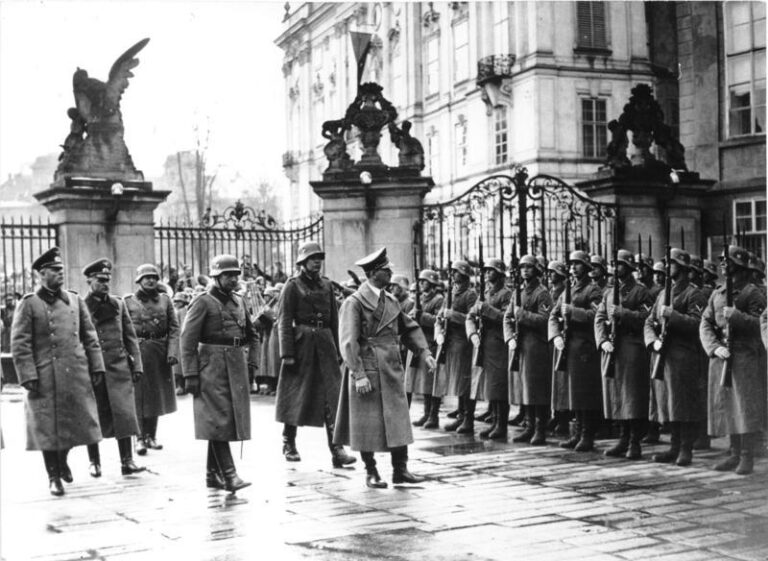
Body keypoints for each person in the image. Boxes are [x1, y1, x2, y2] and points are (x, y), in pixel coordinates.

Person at [333, 247, 435, 488]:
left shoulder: (390, 300)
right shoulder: (354, 303)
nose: (391, 272)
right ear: (374, 273)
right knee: (366, 423)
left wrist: (424, 352)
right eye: (386, 269)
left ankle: (401, 470)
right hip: (366, 367)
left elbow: (408, 328)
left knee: (398, 418)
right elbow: (348, 341)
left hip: (390, 368)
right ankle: (371, 472)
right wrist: (358, 375)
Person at [11, 247, 105, 496]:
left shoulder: (74, 300)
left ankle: (62, 460)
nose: (60, 273)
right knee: (47, 428)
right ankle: (53, 476)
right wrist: (28, 375)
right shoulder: (29, 303)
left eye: (61, 270)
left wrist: (96, 366)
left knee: (77, 423)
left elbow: (90, 336)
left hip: (75, 372)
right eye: (54, 270)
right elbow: (20, 343)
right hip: (44, 376)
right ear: (42, 274)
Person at [274, 241, 356, 468]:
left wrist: (339, 347)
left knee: (332, 398)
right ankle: (288, 441)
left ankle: (337, 449)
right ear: (302, 262)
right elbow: (284, 320)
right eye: (313, 258)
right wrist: (287, 352)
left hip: (325, 343)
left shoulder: (327, 285)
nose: (317, 262)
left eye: (319, 258)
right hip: (301, 346)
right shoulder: (292, 286)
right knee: (296, 396)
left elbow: (334, 319)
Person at [180, 254, 258, 492]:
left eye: (236, 275)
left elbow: (252, 336)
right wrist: (191, 374)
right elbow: (187, 339)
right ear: (216, 276)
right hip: (211, 366)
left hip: (235, 364)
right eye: (228, 275)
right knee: (217, 419)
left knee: (224, 420)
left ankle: (212, 475)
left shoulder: (239, 300)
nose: (233, 279)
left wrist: (253, 365)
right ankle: (229, 474)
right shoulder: (203, 302)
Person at [700, 245, 767, 475]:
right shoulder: (717, 292)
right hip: (721, 356)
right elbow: (705, 322)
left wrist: (737, 317)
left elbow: (762, 325)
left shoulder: (752, 293)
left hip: (744, 356)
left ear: (737, 265)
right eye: (720, 260)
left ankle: (747, 455)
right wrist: (713, 347)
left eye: (726, 260)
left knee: (744, 406)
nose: (721, 264)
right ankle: (733, 452)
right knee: (727, 405)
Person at [81, 259, 147, 477]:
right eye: (100, 280)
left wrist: (136, 364)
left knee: (124, 414)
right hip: (94, 369)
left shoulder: (118, 304)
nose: (105, 284)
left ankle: (127, 461)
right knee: (94, 415)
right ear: (89, 280)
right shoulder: (81, 306)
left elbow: (130, 336)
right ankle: (94, 462)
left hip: (119, 367)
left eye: (107, 280)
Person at [643, 249, 707, 466]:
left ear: (682, 267)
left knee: (683, 404)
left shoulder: (693, 293)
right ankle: (673, 446)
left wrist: (674, 316)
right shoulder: (662, 294)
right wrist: (653, 341)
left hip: (683, 355)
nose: (667, 266)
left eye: (671, 263)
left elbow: (698, 324)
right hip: (663, 354)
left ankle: (685, 449)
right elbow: (649, 321)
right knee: (667, 402)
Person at [595, 250, 653, 460]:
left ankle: (634, 441)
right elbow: (600, 317)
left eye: (620, 264)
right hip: (614, 347)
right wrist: (602, 340)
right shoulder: (610, 292)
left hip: (632, 345)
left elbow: (648, 317)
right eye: (614, 264)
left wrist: (624, 314)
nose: (615, 268)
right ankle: (622, 437)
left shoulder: (641, 291)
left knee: (632, 395)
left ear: (629, 267)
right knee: (616, 393)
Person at [550, 250, 604, 452]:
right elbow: (554, 316)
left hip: (585, 346)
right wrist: (555, 335)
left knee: (585, 393)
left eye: (577, 264)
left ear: (587, 267)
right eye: (571, 264)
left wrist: (574, 312)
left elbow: (597, 316)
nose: (573, 267)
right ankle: (577, 432)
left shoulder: (593, 291)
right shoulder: (568, 291)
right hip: (570, 346)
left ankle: (587, 435)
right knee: (574, 392)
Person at [124, 264, 180, 455]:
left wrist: (172, 352)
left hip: (159, 352)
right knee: (139, 396)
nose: (150, 280)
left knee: (156, 395)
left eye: (154, 277)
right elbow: (123, 330)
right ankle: (139, 438)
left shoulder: (165, 301)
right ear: (138, 281)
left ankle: (151, 436)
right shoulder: (128, 302)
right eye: (146, 278)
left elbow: (174, 328)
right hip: (138, 352)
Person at [504, 255, 553, 444]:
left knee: (536, 389)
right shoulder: (519, 291)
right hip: (521, 344)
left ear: (536, 270)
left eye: (529, 267)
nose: (525, 270)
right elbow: (508, 317)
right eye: (522, 267)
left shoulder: (542, 293)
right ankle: (529, 425)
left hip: (536, 345)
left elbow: (545, 320)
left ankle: (540, 429)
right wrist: (509, 337)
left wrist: (521, 315)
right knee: (525, 387)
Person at [466, 258, 511, 441]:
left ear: (500, 274)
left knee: (499, 385)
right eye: (486, 271)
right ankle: (494, 421)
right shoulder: (485, 293)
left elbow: (507, 318)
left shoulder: (506, 294)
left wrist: (487, 309)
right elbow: (471, 314)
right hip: (486, 343)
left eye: (491, 271)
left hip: (499, 344)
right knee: (491, 385)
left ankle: (502, 424)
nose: (487, 274)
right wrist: (472, 333)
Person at [438, 260, 478, 433]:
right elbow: (441, 313)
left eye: (456, 272)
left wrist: (453, 315)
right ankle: (461, 416)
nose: (453, 275)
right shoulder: (451, 292)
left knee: (465, 382)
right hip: (452, 341)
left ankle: (468, 419)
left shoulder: (470, 294)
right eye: (452, 272)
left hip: (464, 342)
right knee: (457, 382)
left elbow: (474, 319)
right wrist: (441, 318)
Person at [405, 269, 444, 429]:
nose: (421, 284)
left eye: (425, 281)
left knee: (431, 382)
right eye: (420, 281)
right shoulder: (418, 298)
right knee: (422, 382)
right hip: (418, 343)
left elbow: (439, 320)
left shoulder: (439, 299)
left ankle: (433, 415)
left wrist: (422, 316)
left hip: (430, 342)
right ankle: (426, 413)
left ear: (432, 283)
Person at [546, 260, 571, 436]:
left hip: (567, 337)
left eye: (554, 272)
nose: (550, 275)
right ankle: (557, 415)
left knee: (563, 383)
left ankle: (563, 418)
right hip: (554, 338)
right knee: (556, 382)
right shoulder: (552, 291)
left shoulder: (564, 291)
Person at [172, 290, 192, 395]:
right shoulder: (177, 310)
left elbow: (183, 326)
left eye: (178, 301)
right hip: (176, 339)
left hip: (180, 339)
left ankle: (181, 386)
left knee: (179, 366)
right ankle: (179, 385)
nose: (175, 303)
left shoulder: (183, 311)